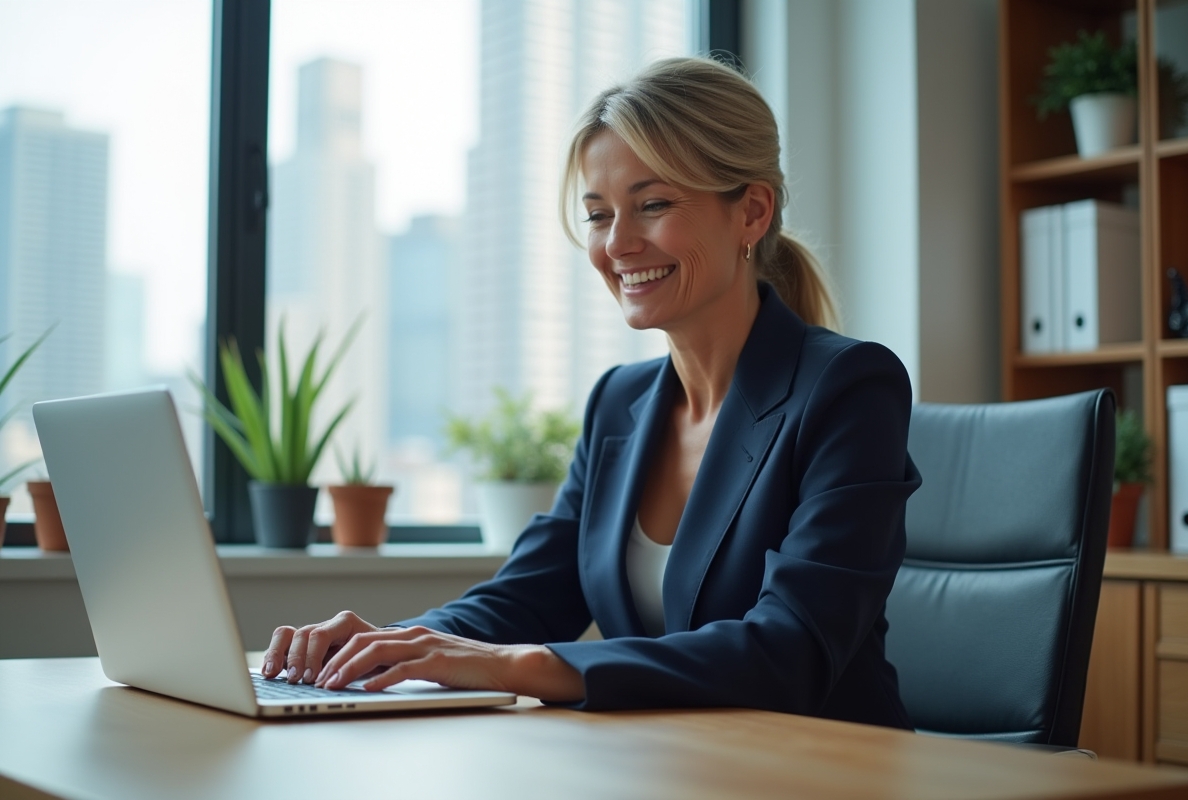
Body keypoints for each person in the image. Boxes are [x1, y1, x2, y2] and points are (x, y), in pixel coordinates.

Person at [261, 56, 921, 729]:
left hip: (832, 770)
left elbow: (792, 649)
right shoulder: (620, 403)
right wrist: (386, 647)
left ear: (751, 212)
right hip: (683, 765)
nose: (619, 243)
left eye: (653, 205)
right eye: (599, 215)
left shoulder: (847, 389)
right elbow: (524, 600)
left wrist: (518, 667)